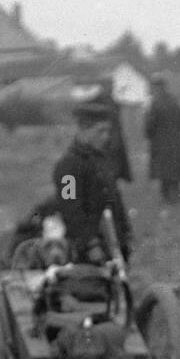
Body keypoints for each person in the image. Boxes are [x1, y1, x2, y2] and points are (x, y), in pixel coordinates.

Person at [52, 98, 132, 262]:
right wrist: (90, 244)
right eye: (100, 131)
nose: (106, 137)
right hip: (89, 251)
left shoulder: (100, 160)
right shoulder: (69, 167)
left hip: (113, 244)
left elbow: (114, 201)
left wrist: (126, 233)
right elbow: (71, 209)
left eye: (108, 131)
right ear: (83, 130)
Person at [144, 75, 180, 205]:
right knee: (175, 171)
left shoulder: (155, 103)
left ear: (157, 87)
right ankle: (176, 196)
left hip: (160, 144)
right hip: (175, 143)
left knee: (164, 173)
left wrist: (149, 134)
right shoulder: (174, 101)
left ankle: (167, 198)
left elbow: (149, 126)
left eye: (153, 86)